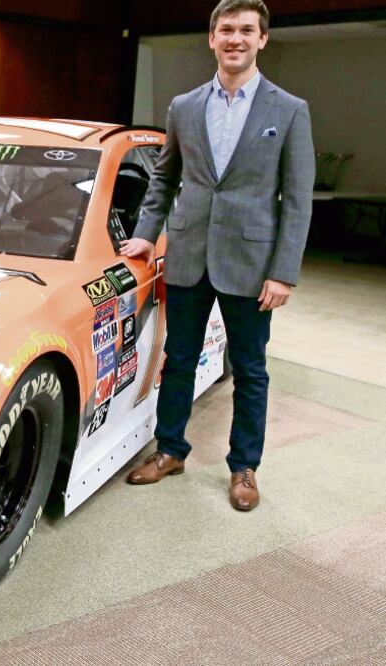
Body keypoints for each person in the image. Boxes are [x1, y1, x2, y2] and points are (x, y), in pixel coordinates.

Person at [119, 0, 315, 511]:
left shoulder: (289, 109)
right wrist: (147, 233)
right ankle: (170, 450)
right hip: (188, 254)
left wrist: (284, 273)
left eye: (247, 30)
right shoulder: (185, 106)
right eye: (226, 29)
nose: (235, 39)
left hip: (251, 265)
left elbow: (297, 200)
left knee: (250, 371)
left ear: (262, 39)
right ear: (212, 38)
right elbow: (165, 177)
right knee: (178, 359)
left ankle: (244, 467)